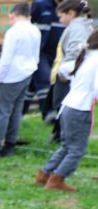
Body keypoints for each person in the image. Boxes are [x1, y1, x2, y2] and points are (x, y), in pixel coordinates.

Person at [37, 30, 98, 192]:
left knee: (66, 146)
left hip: (68, 106)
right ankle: (57, 180)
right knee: (77, 150)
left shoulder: (86, 57)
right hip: (80, 109)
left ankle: (44, 175)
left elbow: (63, 69)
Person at [0, 3, 42, 158]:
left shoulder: (13, 32)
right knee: (16, 111)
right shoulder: (35, 30)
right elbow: (36, 55)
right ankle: (9, 145)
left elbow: (6, 58)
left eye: (10, 18)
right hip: (27, 74)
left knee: (2, 112)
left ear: (13, 15)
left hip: (10, 76)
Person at [48, 0, 93, 143]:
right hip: (70, 76)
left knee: (65, 109)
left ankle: (67, 141)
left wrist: (64, 70)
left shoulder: (76, 29)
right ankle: (62, 138)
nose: (60, 20)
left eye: (61, 16)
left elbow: (75, 53)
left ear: (71, 13)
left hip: (68, 78)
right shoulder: (79, 27)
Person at [30, 0, 63, 118]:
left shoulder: (67, 7)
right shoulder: (40, 5)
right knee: (45, 78)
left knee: (32, 85)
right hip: (39, 51)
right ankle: (48, 113)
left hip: (56, 52)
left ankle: (20, 112)